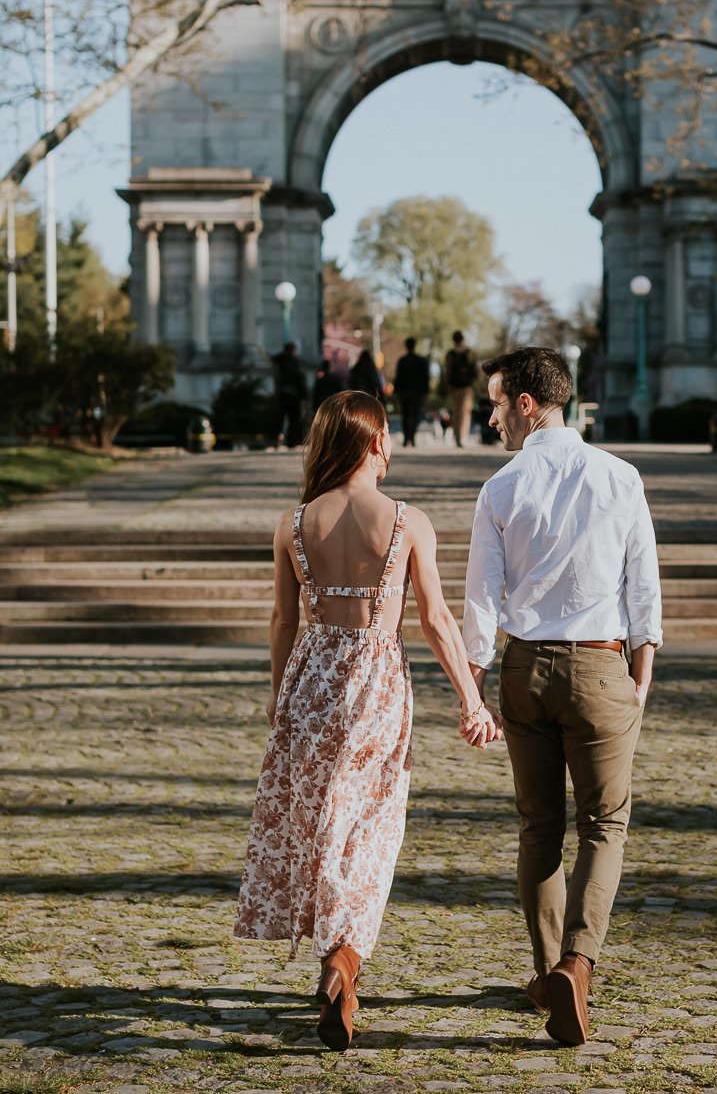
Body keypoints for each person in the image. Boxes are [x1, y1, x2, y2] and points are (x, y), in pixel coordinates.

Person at [234, 391, 498, 1052]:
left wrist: (276, 695)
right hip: (377, 684)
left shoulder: (294, 522)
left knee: (321, 824)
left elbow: (281, 621)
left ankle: (335, 958)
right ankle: (343, 962)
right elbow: (436, 621)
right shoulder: (408, 522)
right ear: (373, 442)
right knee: (372, 827)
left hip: (311, 680)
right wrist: (471, 698)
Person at [461, 347, 662, 1047]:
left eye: (494, 403)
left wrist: (474, 685)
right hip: (601, 665)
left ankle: (549, 975)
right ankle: (578, 963)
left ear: (525, 403)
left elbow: (481, 598)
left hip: (525, 669)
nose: (489, 419)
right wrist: (642, 668)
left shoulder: (500, 488)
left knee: (538, 825)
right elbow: (643, 581)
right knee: (603, 824)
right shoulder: (620, 477)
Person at [394, 337, 430, 447]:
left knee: (406, 415)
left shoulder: (402, 361)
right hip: (416, 392)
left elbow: (398, 378)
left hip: (405, 392)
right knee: (414, 415)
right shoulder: (420, 361)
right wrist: (425, 391)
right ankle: (412, 438)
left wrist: (397, 391)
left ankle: (407, 438)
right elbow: (425, 378)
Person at [444, 331, 478, 448]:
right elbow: (474, 369)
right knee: (465, 413)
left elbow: (447, 371)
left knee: (456, 412)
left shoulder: (450, 354)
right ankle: (463, 437)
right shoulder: (469, 353)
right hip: (466, 387)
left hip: (454, 386)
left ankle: (458, 437)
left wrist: (448, 385)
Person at [271, 342, 308, 448]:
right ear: (293, 350)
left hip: (280, 394)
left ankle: (275, 440)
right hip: (293, 395)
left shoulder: (276, 361)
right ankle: (292, 442)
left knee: (279, 418)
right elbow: (300, 380)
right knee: (294, 419)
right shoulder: (295, 362)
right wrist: (305, 396)